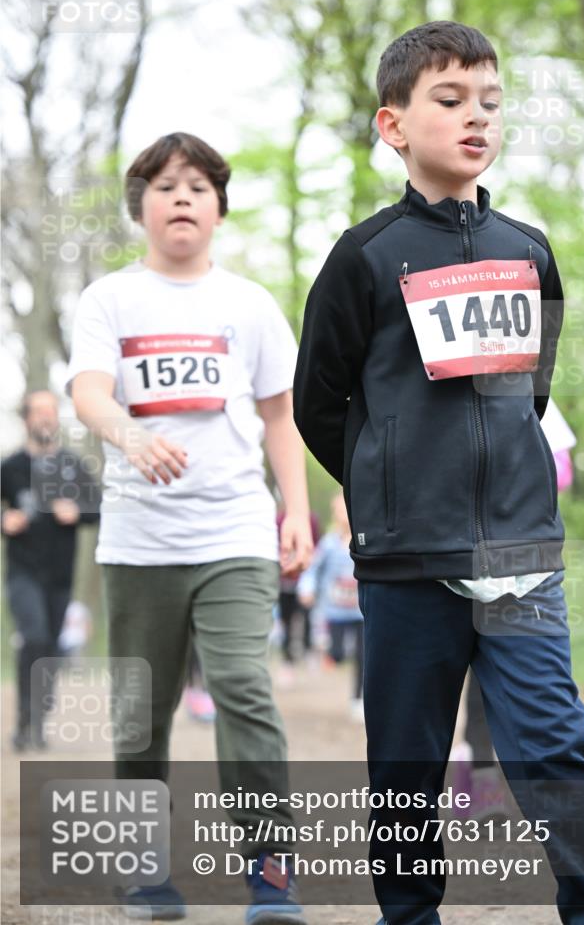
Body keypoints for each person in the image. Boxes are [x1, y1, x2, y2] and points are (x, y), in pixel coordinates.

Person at [294, 21, 584, 925]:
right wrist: (388, 487)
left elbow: (529, 389)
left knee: (553, 750)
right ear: (393, 125)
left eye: (489, 101)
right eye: (449, 101)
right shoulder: (361, 257)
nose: (475, 117)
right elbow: (319, 402)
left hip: (522, 551)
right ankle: (410, 917)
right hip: (408, 562)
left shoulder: (528, 248)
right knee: (405, 764)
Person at [67, 132, 313, 923]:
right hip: (140, 541)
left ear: (217, 209)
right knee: (142, 712)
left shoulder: (248, 304)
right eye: (166, 185)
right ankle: (144, 868)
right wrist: (131, 436)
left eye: (199, 187)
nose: (182, 197)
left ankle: (270, 871)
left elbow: (281, 414)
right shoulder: (110, 298)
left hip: (235, 530)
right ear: (140, 204)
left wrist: (296, 511)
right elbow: (89, 392)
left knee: (243, 687)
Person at [452, 398, 577, 819]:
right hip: (452, 550)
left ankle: (487, 780)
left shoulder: (527, 390)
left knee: (507, 682)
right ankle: (477, 778)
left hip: (521, 556)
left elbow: (563, 468)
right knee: (466, 675)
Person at [1, 390, 100, 751]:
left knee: (53, 646)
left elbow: (98, 508)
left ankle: (37, 720)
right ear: (26, 418)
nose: (47, 418)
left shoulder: (72, 466)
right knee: (35, 635)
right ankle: (26, 717)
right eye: (39, 412)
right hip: (23, 571)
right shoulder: (11, 467)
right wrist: (4, 519)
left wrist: (78, 512)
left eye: (52, 411)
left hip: (61, 574)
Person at [297, 491, 364, 721]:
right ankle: (331, 655)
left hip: (360, 612)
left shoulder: (363, 541)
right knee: (337, 653)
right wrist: (306, 588)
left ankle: (358, 699)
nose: (343, 515)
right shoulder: (328, 544)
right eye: (338, 510)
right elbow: (312, 570)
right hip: (335, 612)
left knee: (363, 656)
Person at [275, 506, 320, 687]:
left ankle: (309, 651)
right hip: (284, 581)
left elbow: (317, 546)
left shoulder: (311, 519)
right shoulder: (278, 519)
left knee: (306, 618)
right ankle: (288, 662)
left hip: (304, 581)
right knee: (286, 623)